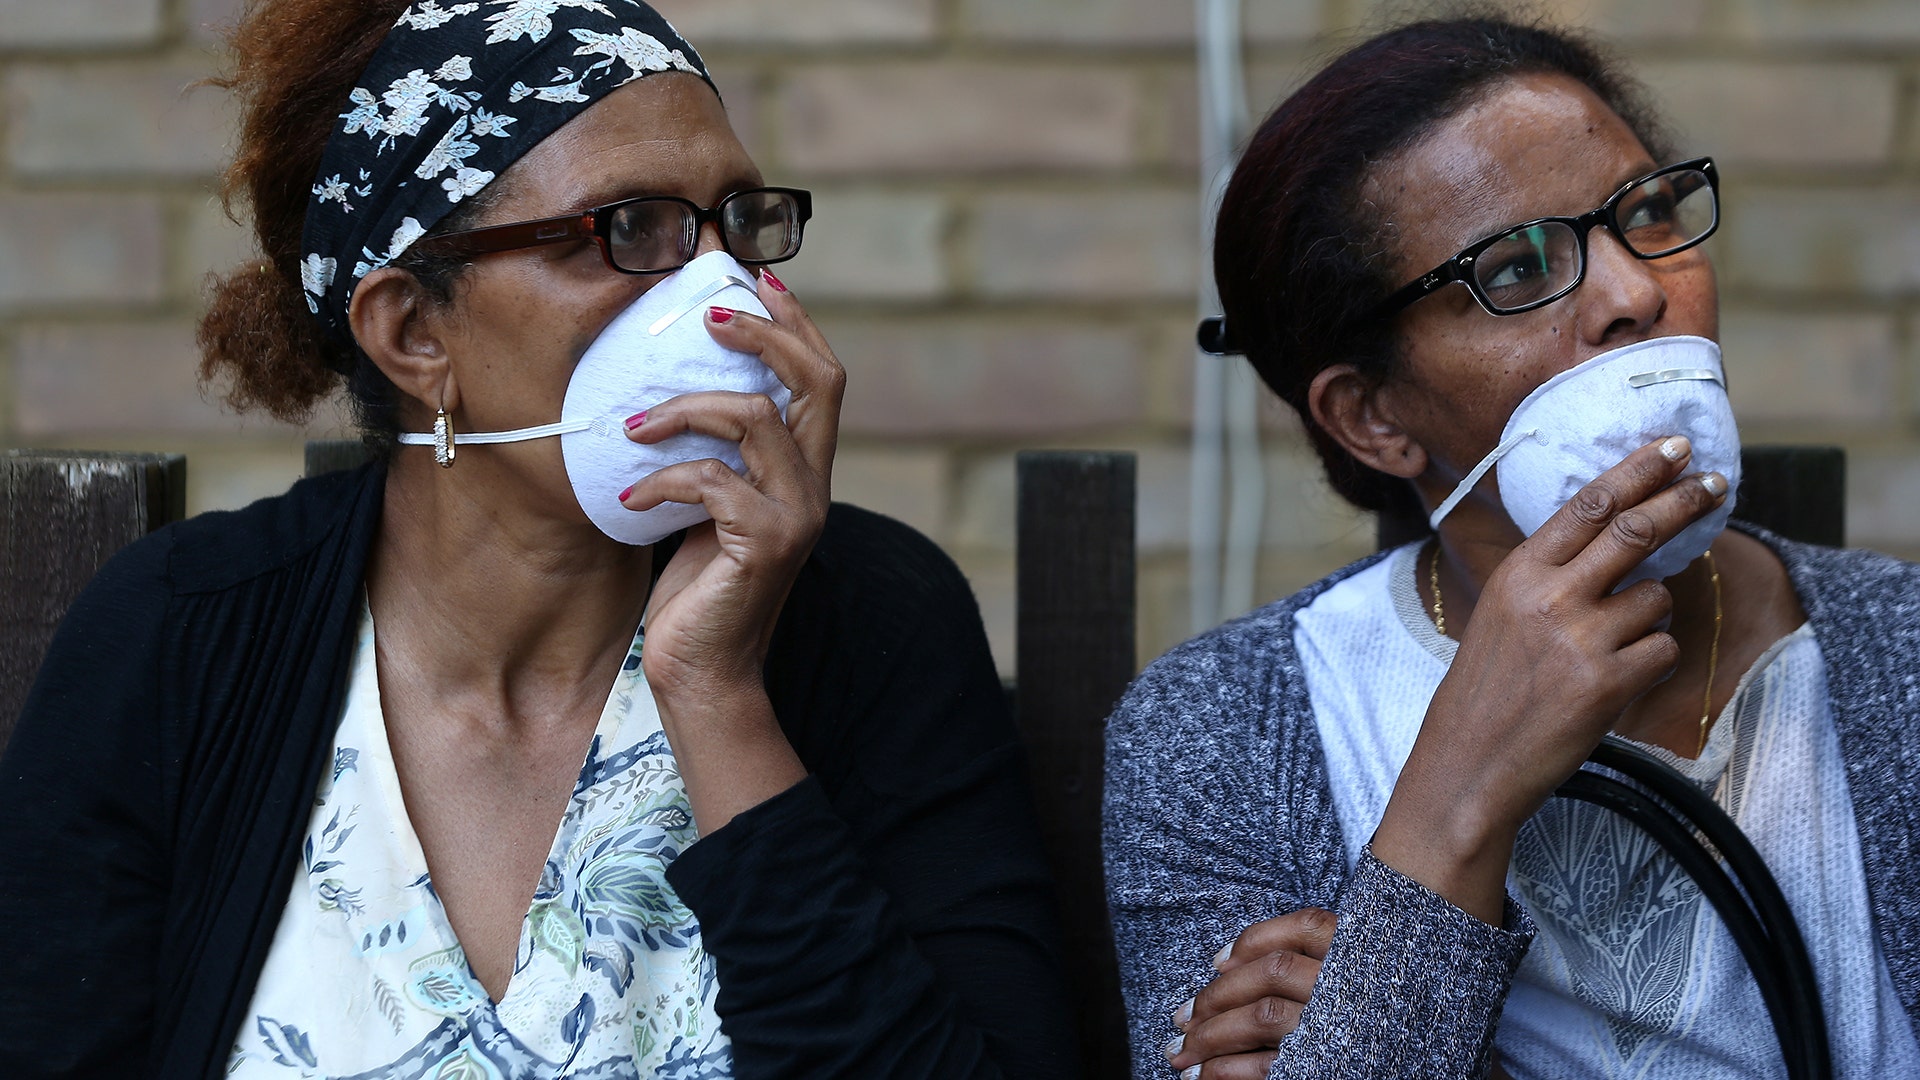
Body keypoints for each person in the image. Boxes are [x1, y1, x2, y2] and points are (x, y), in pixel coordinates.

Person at [0, 2, 1078, 1077]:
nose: (723, 295)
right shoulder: (183, 637)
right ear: (415, 332)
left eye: (735, 223)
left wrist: (717, 693)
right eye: (630, 230)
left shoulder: (870, 621)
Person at [1104, 13, 1920, 1080]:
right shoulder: (1219, 729)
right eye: (1520, 268)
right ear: (1373, 417)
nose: (1637, 293)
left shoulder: (1899, 654)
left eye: (1649, 211)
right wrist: (1455, 800)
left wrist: (1381, 1008)